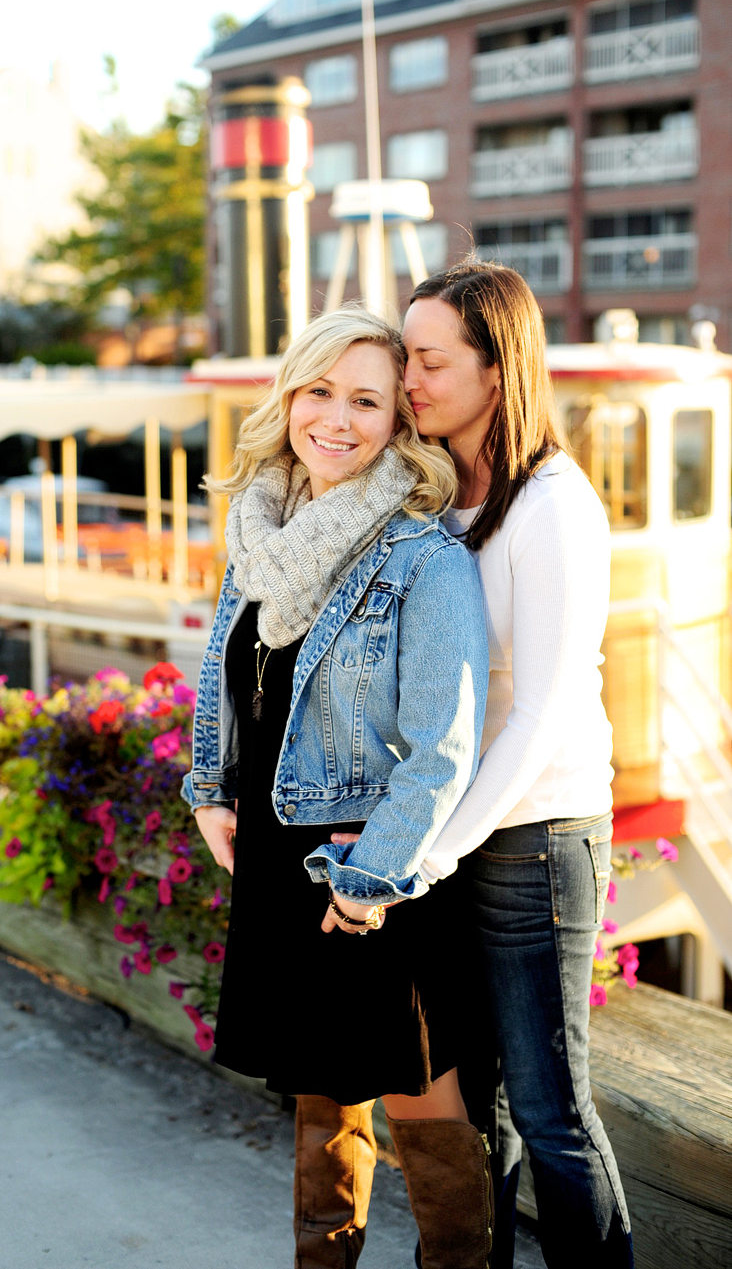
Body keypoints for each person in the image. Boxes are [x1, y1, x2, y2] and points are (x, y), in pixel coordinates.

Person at [181, 307, 493, 1268]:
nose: (338, 419)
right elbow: (231, 680)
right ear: (288, 398)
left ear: (399, 420)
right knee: (323, 1096)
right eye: (320, 390)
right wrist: (209, 787)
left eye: (367, 399)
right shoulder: (262, 528)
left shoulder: (425, 559)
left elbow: (442, 749)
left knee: (419, 1100)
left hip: (366, 873)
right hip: (281, 855)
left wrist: (370, 883)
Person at [365, 263, 632, 1269]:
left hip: (539, 836)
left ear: (497, 368)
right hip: (461, 833)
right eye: (407, 359)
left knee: (552, 1108)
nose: (410, 383)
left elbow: (547, 707)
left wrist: (430, 850)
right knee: (486, 1111)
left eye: (429, 362)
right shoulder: (445, 499)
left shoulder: (553, 505)